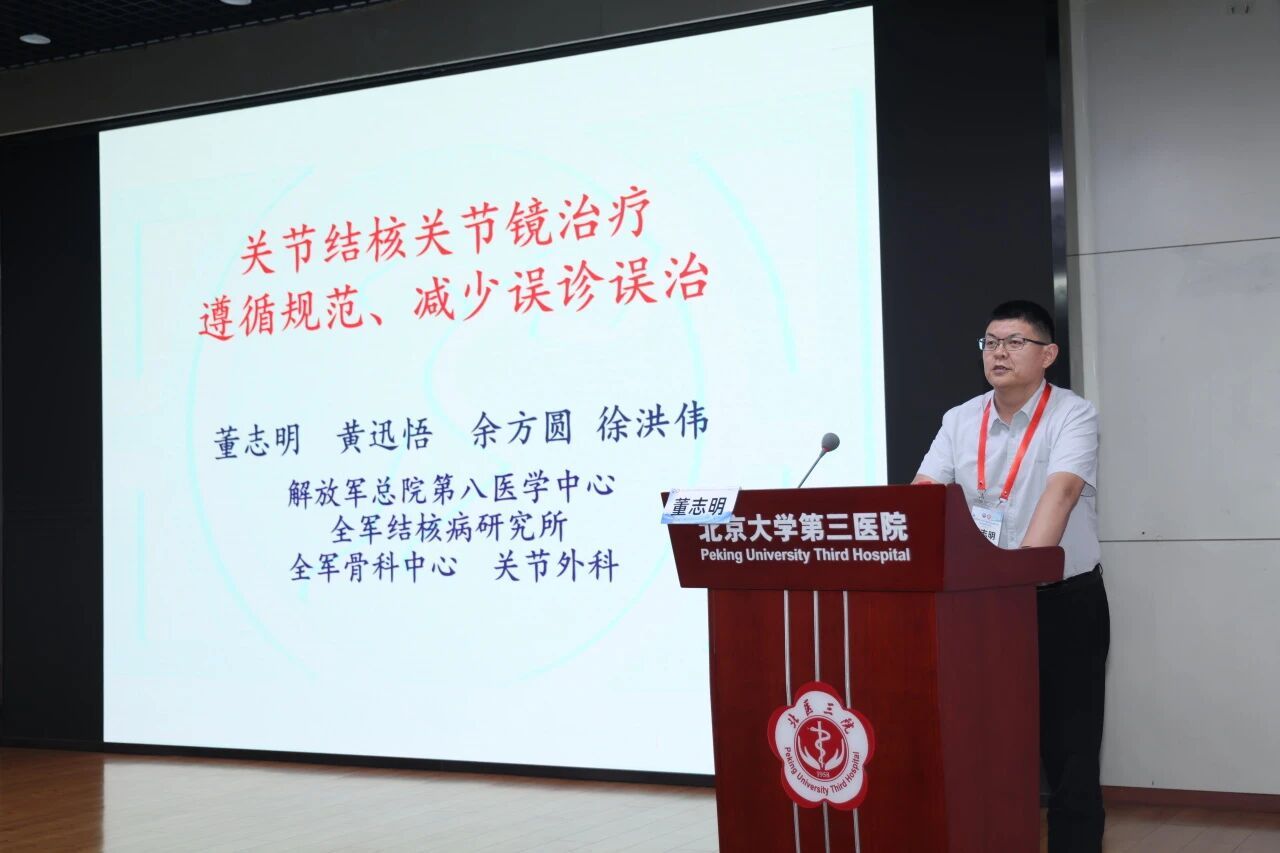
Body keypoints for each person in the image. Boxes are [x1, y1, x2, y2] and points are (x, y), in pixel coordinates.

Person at [912, 300, 1109, 853]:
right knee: (986, 742)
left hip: (1061, 601)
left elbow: (1062, 492)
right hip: (978, 606)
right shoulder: (959, 419)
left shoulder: (1073, 414)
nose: (999, 352)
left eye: (1015, 342)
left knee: (1070, 750)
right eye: (991, 342)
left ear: (1048, 354)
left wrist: (1019, 572)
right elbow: (925, 498)